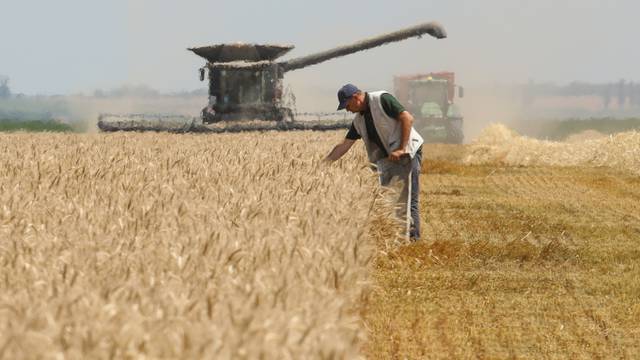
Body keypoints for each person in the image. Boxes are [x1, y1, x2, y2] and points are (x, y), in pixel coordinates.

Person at [325, 84, 424, 241]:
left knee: (408, 199)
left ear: (356, 97)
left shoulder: (382, 99)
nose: (347, 110)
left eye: (347, 105)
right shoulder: (359, 121)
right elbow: (345, 145)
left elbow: (407, 118)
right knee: (389, 201)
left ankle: (413, 242)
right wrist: (324, 163)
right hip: (389, 159)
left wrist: (402, 148)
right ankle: (397, 238)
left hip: (408, 152)